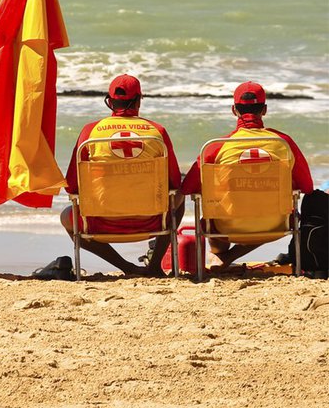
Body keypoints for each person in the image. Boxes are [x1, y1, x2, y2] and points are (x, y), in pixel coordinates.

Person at [54, 74, 184, 277]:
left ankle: (126, 267)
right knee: (180, 197)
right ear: (139, 100)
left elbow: (71, 186)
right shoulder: (157, 132)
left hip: (99, 222)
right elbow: (175, 182)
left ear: (109, 101)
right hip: (152, 221)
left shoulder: (91, 132)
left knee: (66, 217)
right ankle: (155, 265)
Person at [182, 81, 314, 267]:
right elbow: (307, 187)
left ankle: (221, 258)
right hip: (277, 225)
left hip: (224, 227)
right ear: (265, 110)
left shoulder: (216, 146)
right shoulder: (284, 143)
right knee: (267, 209)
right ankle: (225, 259)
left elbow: (187, 188)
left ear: (234, 110)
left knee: (215, 209)